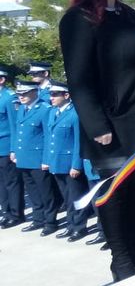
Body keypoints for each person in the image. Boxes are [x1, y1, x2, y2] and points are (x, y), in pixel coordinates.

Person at [60, 0, 135, 280]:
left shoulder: (128, 15)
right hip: (112, 125)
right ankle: (120, 259)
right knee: (114, 194)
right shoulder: (80, 19)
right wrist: (96, 125)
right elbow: (79, 78)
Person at [42, 80, 88, 241]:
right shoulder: (53, 113)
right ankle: (70, 225)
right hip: (57, 162)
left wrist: (76, 165)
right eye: (50, 94)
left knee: (75, 197)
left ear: (66, 95)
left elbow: (78, 142)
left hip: (70, 164)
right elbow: (50, 139)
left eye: (55, 94)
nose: (51, 98)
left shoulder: (75, 114)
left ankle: (79, 227)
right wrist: (47, 160)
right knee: (66, 197)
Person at [11, 80, 53, 234]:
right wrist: (14, 150)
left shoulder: (44, 109)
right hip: (24, 157)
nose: (21, 96)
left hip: (38, 157)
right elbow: (17, 132)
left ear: (34, 92)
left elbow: (48, 136)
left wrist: (46, 159)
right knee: (33, 191)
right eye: (19, 94)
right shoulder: (22, 108)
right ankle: (38, 219)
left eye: (24, 93)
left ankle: (50, 222)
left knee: (45, 192)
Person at [0, 69, 23, 228]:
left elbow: (16, 126)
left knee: (11, 182)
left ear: (2, 80)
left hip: (6, 145)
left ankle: (15, 214)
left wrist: (14, 149)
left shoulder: (9, 98)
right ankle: (5, 211)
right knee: (1, 183)